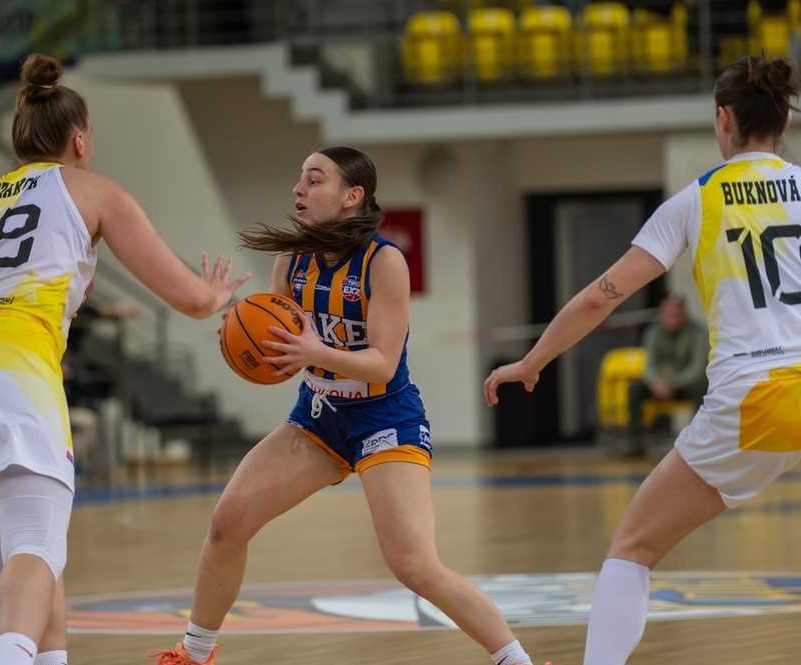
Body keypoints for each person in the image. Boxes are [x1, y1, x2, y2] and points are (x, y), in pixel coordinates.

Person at [0, 53, 248, 665]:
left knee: (38, 542)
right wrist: (215, 296)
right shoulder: (94, 190)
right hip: (6, 359)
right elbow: (190, 298)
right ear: (81, 141)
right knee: (36, 547)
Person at [153, 147, 542, 665]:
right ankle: (194, 654)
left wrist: (315, 351)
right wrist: (230, 313)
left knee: (414, 565)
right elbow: (278, 348)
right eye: (299, 178)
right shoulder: (291, 259)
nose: (298, 189)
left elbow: (382, 363)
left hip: (386, 420)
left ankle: (516, 661)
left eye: (314, 180)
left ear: (352, 195)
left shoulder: (384, 262)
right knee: (227, 524)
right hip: (318, 419)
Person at [485, 55, 801, 665]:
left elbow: (599, 298)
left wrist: (533, 362)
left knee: (632, 548)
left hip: (755, 398)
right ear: (784, 121)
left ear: (722, 119)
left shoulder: (697, 200)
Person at [625, 294, 708, 449]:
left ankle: (699, 440)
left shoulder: (697, 332)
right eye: (669, 314)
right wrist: (656, 383)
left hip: (685, 384)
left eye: (677, 314)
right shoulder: (653, 332)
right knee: (634, 389)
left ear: (684, 313)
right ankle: (634, 442)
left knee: (703, 388)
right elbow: (649, 366)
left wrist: (673, 384)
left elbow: (697, 368)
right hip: (658, 385)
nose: (673, 319)